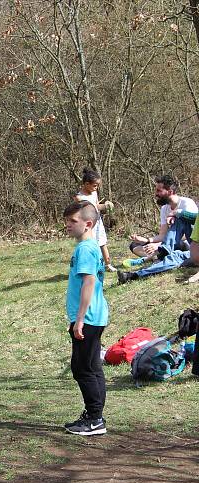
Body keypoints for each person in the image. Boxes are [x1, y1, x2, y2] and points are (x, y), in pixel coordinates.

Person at [62, 200, 109, 436]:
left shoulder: (85, 249)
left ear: (88, 224)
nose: (67, 225)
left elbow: (89, 282)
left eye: (73, 221)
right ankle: (94, 415)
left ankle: (94, 419)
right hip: (95, 316)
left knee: (83, 368)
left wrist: (79, 319)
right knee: (92, 366)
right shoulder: (90, 247)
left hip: (88, 317)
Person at [119, 175, 197, 283]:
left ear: (169, 191)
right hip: (186, 249)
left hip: (188, 243)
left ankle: (161, 252)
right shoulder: (164, 208)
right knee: (173, 257)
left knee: (180, 218)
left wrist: (176, 213)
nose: (155, 194)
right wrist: (147, 240)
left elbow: (193, 228)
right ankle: (133, 275)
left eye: (159, 191)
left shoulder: (187, 203)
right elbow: (162, 234)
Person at [75, 168, 115, 271]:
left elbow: (96, 206)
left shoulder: (94, 193)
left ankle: (108, 264)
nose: (96, 188)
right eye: (95, 186)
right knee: (90, 246)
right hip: (87, 225)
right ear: (87, 184)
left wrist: (106, 205)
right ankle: (89, 267)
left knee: (102, 243)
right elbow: (81, 212)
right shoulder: (79, 197)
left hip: (98, 223)